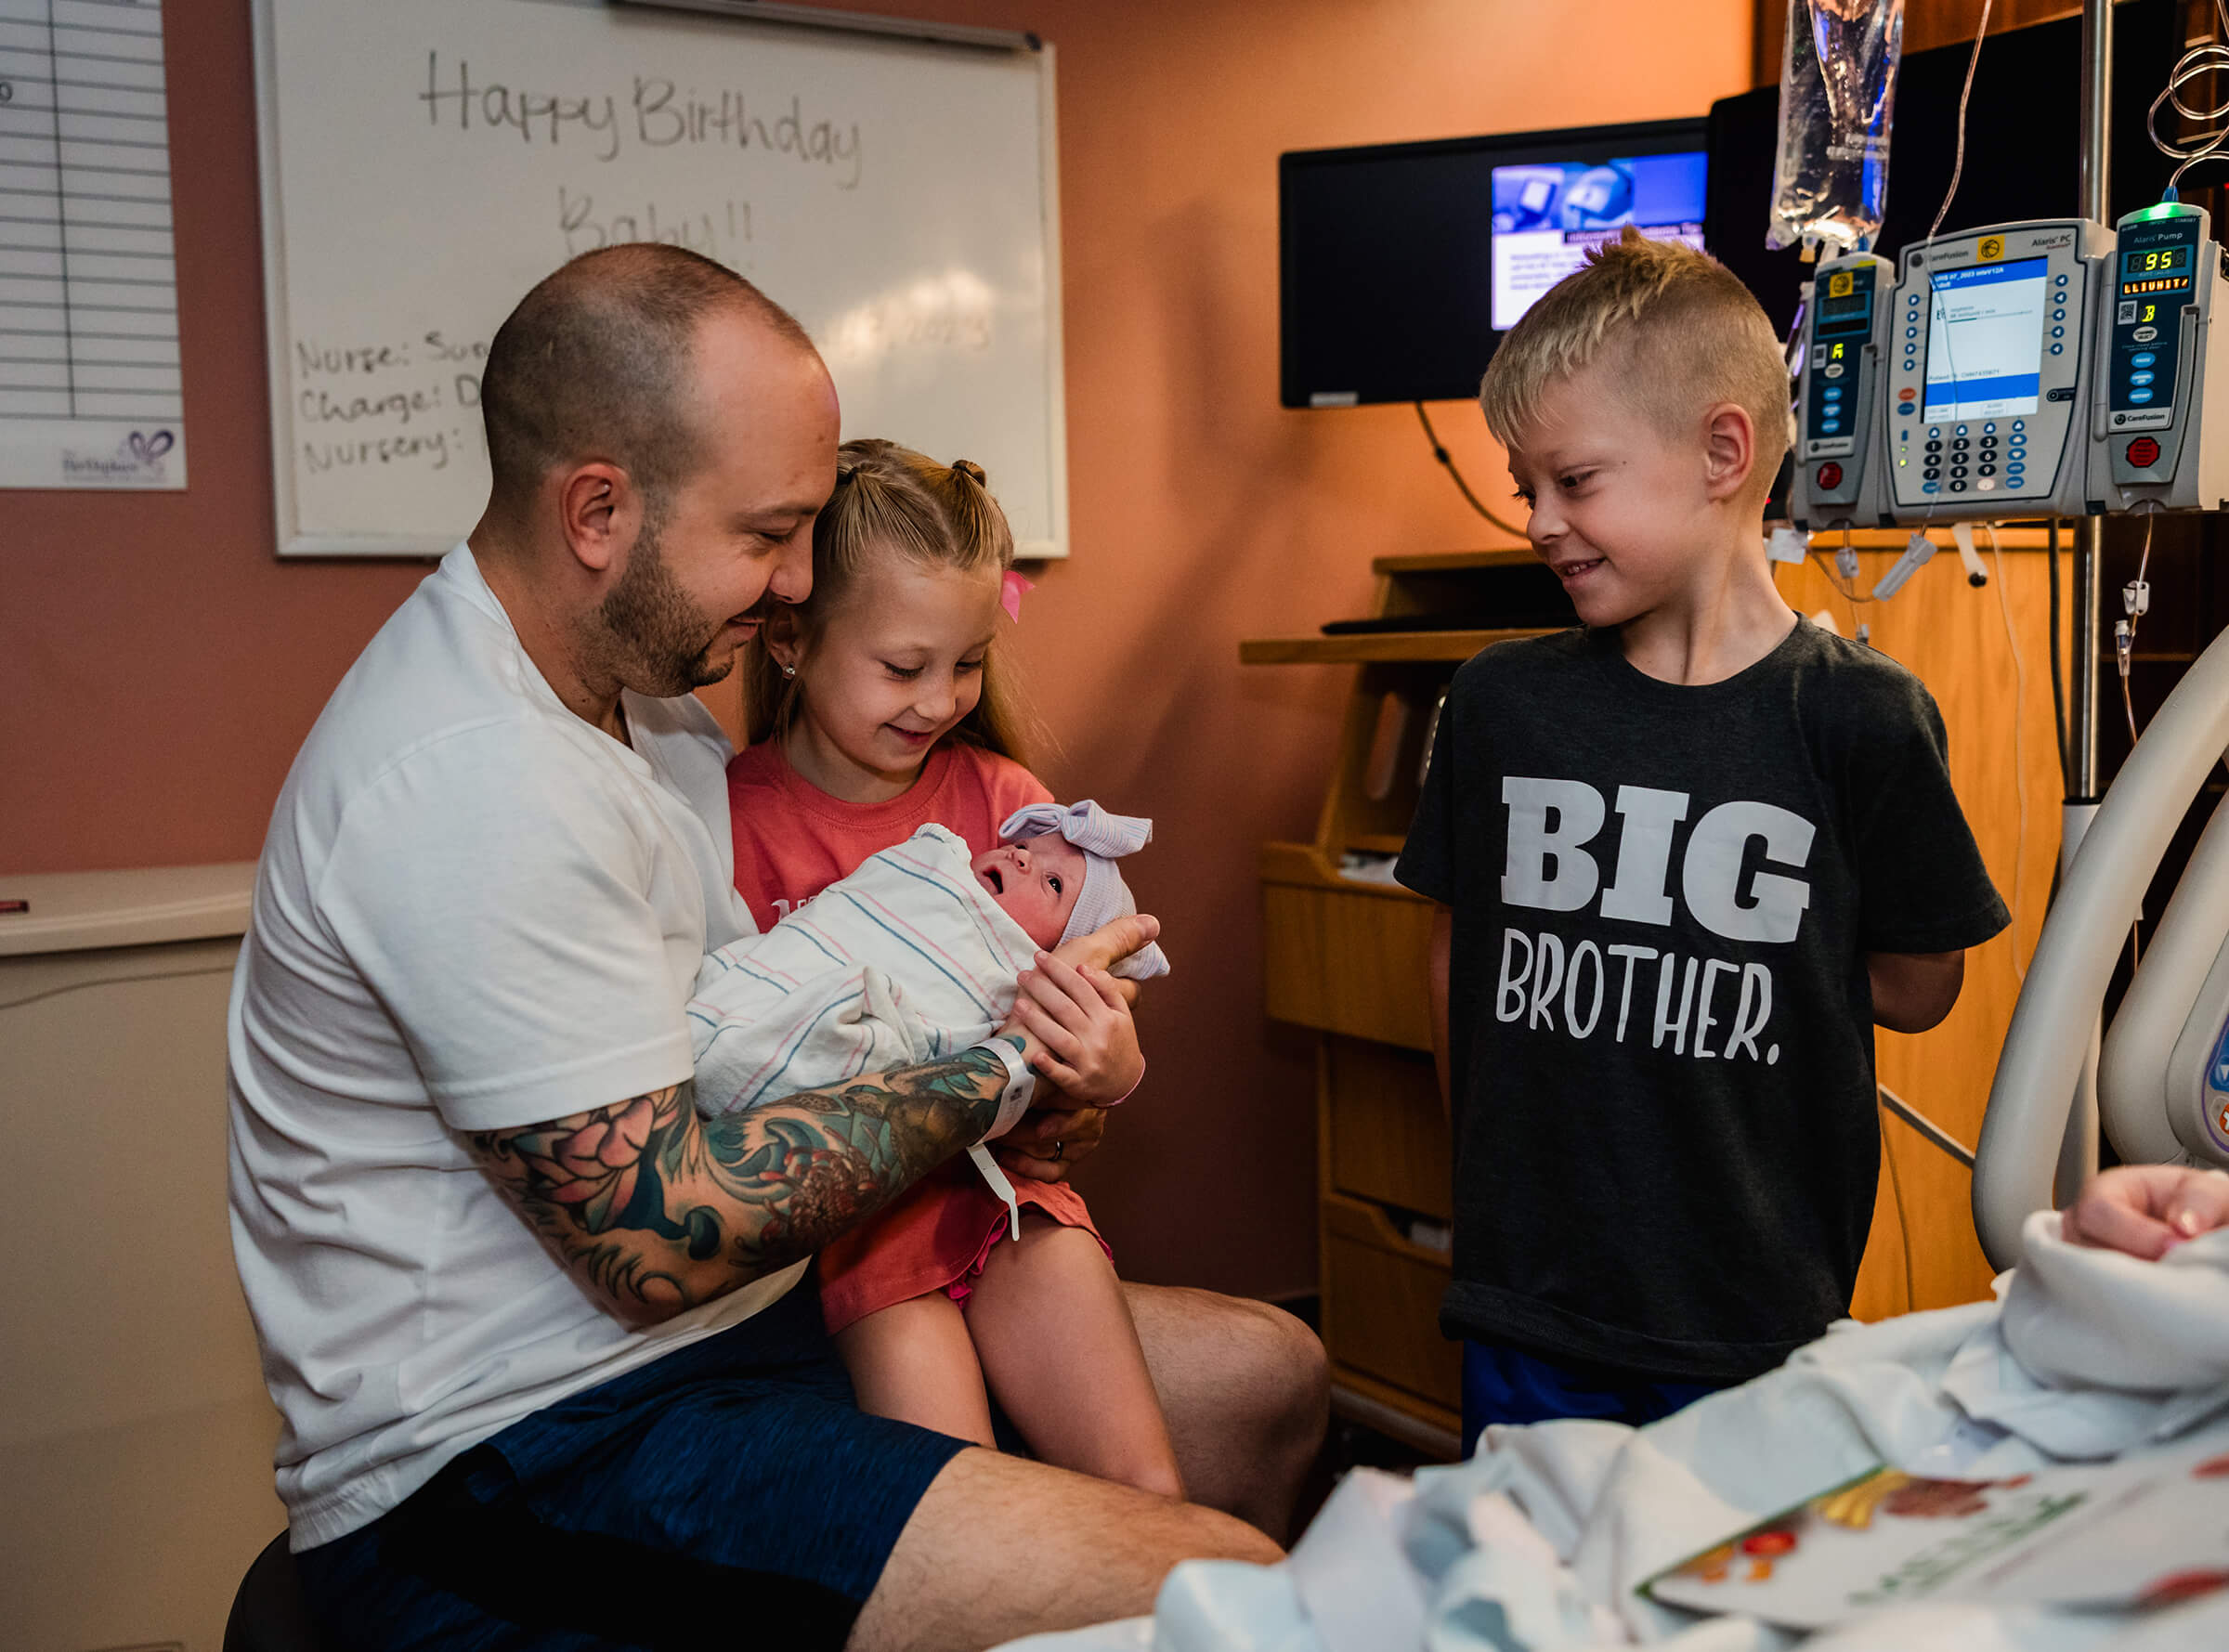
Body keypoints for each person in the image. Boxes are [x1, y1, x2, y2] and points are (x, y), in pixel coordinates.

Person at [226, 244, 1293, 1652]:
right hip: (517, 1451)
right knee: (1214, 1582)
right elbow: (657, 1243)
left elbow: (772, 1032)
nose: (798, 581)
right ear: (599, 510)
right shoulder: (469, 777)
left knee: (1266, 1376)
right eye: (766, 533)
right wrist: (1002, 1078)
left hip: (736, 1338)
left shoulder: (652, 714)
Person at [1396, 228, 2012, 1453]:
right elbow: (1455, 962)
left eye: (1574, 481)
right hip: (1534, 1300)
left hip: (1754, 1311)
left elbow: (1918, 983)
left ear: (1724, 452)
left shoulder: (1859, 717)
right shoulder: (1501, 703)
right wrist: (1490, 1200)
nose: (1538, 521)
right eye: (1529, 487)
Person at [685, 804, 1181, 1496]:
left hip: (1004, 1200)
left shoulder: (1005, 789)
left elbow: (1099, 1005)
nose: (1021, 858)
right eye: (902, 682)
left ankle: (1170, 1592)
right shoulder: (731, 804)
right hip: (871, 1211)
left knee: (1148, 1487)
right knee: (971, 1498)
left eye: (1051, 879)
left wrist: (1109, 1081)